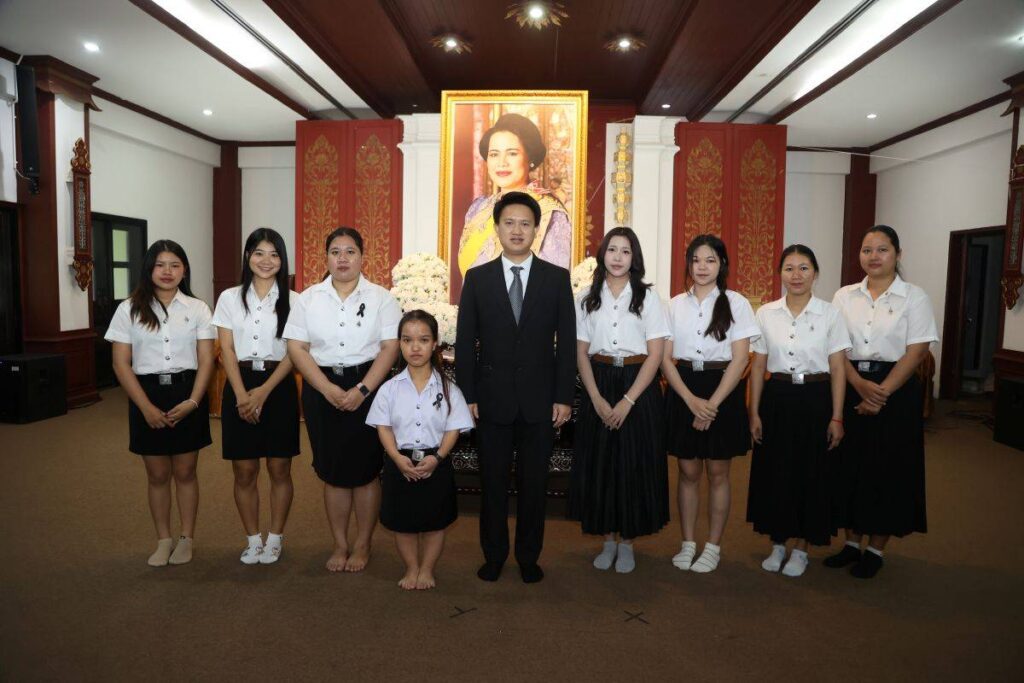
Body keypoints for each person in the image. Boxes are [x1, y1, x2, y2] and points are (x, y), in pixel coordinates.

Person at [455, 191, 576, 584]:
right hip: (491, 400)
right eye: (509, 223)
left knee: (533, 484)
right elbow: (465, 343)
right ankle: (493, 555)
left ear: (536, 229)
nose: (517, 230)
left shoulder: (556, 279)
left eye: (525, 223)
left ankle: (528, 557)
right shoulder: (477, 279)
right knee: (492, 483)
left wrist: (563, 396)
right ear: (497, 228)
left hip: (541, 401)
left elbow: (566, 343)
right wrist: (468, 396)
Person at [284, 227, 401, 573]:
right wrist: (325, 388)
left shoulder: (382, 298)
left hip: (369, 387)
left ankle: (363, 544)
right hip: (322, 387)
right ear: (326, 258)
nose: (343, 259)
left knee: (366, 471)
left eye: (350, 251)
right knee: (333, 471)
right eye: (335, 252)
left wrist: (362, 390)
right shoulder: (308, 299)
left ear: (363, 257)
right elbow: (296, 348)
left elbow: (390, 348)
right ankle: (340, 544)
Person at [826, 225, 938, 578]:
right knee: (850, 467)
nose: (873, 256)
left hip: (896, 391)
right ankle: (850, 542)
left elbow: (917, 350)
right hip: (851, 383)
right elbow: (836, 347)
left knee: (887, 469)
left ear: (897, 254)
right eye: (866, 250)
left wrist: (881, 393)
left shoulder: (914, 297)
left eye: (882, 249)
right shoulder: (844, 296)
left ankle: (875, 549)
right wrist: (859, 384)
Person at [105, 240, 215, 566]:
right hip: (147, 395)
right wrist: (145, 407)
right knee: (156, 474)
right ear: (149, 269)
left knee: (186, 471)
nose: (167, 272)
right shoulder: (129, 309)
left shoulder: (198, 308)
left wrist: (194, 401)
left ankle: (186, 539)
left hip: (187, 393)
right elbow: (120, 363)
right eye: (160, 265)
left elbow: (206, 360)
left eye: (175, 265)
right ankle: (163, 540)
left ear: (184, 270)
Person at [568, 227, 670, 573]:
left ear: (634, 258)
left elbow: (656, 354)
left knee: (633, 464)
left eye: (625, 251)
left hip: (637, 384)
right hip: (598, 381)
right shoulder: (586, 297)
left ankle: (627, 542)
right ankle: (608, 539)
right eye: (612, 249)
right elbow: (580, 353)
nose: (618, 257)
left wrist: (628, 400)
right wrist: (595, 398)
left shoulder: (648, 297)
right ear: (603, 254)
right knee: (602, 464)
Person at [746, 245, 850, 577]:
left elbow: (838, 367)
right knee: (776, 471)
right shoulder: (766, 313)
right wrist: (754, 412)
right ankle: (778, 543)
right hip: (777, 398)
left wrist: (837, 416)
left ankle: (802, 548)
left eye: (804, 268)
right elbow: (758, 364)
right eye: (789, 268)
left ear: (815, 273)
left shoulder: (830, 314)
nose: (796, 275)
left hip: (816, 398)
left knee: (811, 472)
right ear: (780, 274)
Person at [661, 234, 759, 574]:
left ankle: (713, 546)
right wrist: (690, 401)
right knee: (687, 471)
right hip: (684, 388)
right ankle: (688, 542)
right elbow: (665, 359)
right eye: (696, 260)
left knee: (718, 472)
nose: (702, 267)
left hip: (723, 389)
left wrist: (711, 405)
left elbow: (741, 359)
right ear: (688, 264)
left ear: (722, 265)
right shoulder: (674, 305)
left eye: (710, 260)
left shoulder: (737, 303)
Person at [366, 310, 474, 590]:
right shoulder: (389, 389)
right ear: (399, 344)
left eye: (423, 340)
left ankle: (426, 569)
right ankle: (412, 567)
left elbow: (453, 428)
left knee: (435, 521)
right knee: (402, 521)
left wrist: (437, 457)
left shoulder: (449, 389)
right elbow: (383, 427)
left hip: (435, 460)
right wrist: (395, 457)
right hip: (399, 461)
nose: (415, 347)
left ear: (435, 343)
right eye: (407, 340)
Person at [212, 228, 299, 565]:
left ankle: (275, 538)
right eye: (259, 253)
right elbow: (227, 350)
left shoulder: (296, 300)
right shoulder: (229, 298)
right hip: (239, 384)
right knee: (244, 470)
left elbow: (296, 352)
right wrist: (241, 395)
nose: (266, 260)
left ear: (282, 260)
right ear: (248, 256)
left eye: (274, 254)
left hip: (278, 385)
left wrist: (263, 391)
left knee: (280, 468)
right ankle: (252, 539)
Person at [458, 112, 572, 276]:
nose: (501, 163)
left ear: (529, 158)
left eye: (512, 153)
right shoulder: (478, 208)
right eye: (494, 154)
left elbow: (553, 280)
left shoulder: (549, 212)